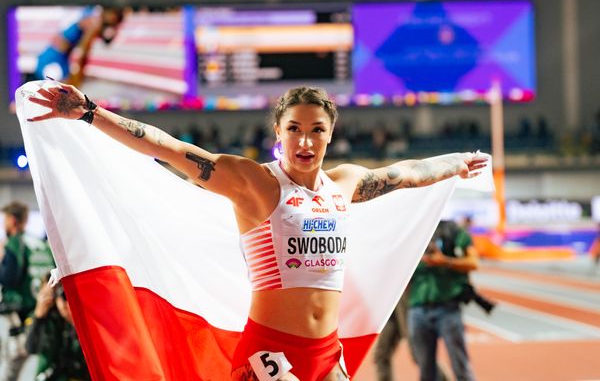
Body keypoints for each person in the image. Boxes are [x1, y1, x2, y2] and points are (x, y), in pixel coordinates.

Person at [27, 82, 487, 381]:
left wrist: (457, 163)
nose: (305, 141)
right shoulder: (254, 183)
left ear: (330, 134)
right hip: (271, 354)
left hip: (328, 353)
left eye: (316, 130)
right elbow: (169, 148)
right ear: (278, 132)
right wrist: (90, 113)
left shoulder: (344, 184)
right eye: (294, 129)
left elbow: (406, 172)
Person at [407, 220, 479, 381]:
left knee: (460, 367)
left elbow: (473, 262)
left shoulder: (453, 231)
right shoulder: (413, 231)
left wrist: (445, 261)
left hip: (447, 308)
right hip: (417, 309)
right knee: (425, 370)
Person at [34, 6, 123, 86]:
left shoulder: (91, 12)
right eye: (116, 15)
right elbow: (82, 52)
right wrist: (78, 75)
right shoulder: (93, 22)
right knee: (62, 93)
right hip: (53, 59)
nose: (115, 20)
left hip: (56, 56)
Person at [25, 279, 90, 381]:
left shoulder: (87, 318)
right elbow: (32, 348)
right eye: (64, 296)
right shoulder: (48, 319)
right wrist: (39, 317)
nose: (67, 302)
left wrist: (75, 322)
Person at [0, 202, 36, 381]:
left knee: (10, 369)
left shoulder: (14, 244)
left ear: (12, 220)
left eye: (4, 219)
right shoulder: (34, 243)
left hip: (16, 315)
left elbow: (9, 278)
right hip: (35, 314)